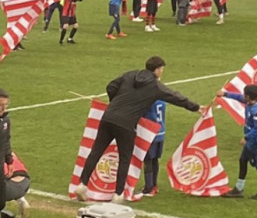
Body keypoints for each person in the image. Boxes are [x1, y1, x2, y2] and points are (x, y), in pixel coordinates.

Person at [76, 57, 207, 203]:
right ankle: (118, 194)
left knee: (96, 151)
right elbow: (175, 97)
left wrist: (116, 103)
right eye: (162, 69)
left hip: (108, 117)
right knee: (124, 159)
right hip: (126, 124)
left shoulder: (130, 74)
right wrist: (195, 107)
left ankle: (82, 185)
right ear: (157, 70)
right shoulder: (156, 86)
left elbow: (110, 86)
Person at [219, 85, 257, 200]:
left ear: (248, 96)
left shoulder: (256, 111)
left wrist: (246, 138)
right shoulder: (250, 102)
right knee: (243, 160)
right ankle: (239, 189)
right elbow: (239, 98)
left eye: (244, 94)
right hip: (252, 140)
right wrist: (225, 94)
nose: (243, 96)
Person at [140, 100, 166, 196]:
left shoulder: (148, 101)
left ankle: (149, 188)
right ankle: (154, 185)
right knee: (155, 160)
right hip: (161, 133)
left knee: (148, 160)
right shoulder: (162, 100)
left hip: (150, 134)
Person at [0, 89, 11, 212]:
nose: (3, 108)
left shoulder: (5, 120)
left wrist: (9, 160)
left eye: (5, 105)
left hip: (0, 166)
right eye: (0, 105)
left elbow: (6, 140)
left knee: (1, 202)